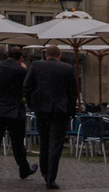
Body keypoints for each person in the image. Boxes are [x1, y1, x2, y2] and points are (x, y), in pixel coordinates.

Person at [24, 46, 77, 190]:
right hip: (60, 111)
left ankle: (45, 172)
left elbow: (27, 87)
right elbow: (73, 92)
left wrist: (33, 104)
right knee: (56, 144)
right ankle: (51, 178)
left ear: (46, 55)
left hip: (41, 110)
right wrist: (71, 110)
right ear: (59, 56)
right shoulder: (67, 68)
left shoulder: (36, 65)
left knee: (44, 141)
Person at [0, 46, 38, 183]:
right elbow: (27, 89)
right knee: (17, 142)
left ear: (7, 55)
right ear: (20, 58)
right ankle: (23, 169)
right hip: (14, 110)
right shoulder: (21, 71)